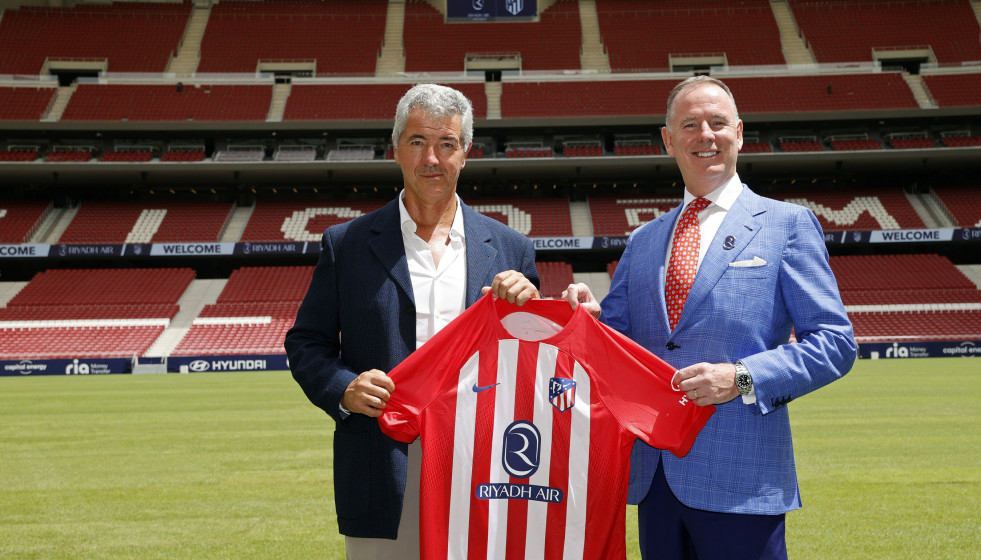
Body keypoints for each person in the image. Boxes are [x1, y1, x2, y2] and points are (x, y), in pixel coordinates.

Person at [562, 76, 856, 559]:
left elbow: (835, 344)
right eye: (691, 124)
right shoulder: (644, 241)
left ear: (739, 133)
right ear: (668, 139)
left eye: (718, 123)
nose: (706, 135)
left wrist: (741, 378)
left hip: (742, 478)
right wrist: (588, 319)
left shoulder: (787, 225)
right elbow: (615, 347)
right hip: (655, 479)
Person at [285, 83, 540, 560]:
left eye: (447, 144)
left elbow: (534, 358)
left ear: (466, 154)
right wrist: (343, 387)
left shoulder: (511, 249)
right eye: (418, 142)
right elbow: (306, 342)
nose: (432, 159)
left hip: (487, 465)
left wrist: (534, 309)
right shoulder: (347, 244)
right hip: (382, 464)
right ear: (396, 149)